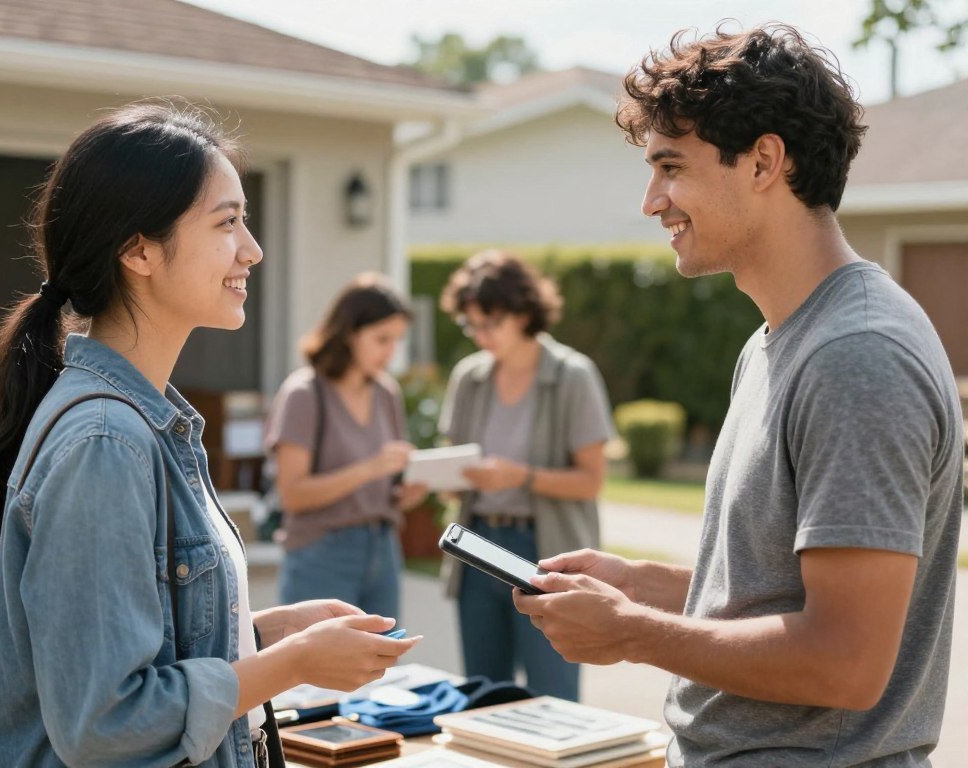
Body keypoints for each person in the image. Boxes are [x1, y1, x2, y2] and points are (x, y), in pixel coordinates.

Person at [513, 23, 963, 766]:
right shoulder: (774, 344)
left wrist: (631, 632)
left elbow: (844, 661)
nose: (652, 201)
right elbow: (779, 592)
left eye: (671, 167)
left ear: (763, 162)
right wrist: (642, 586)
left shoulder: (856, 356)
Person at [0, 102, 419, 768]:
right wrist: (292, 664)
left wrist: (260, 634)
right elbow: (108, 720)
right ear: (138, 249)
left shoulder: (143, 424)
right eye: (227, 223)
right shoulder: (106, 440)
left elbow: (146, 649)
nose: (252, 250)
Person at [437, 251, 614, 702]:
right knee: (483, 696)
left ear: (523, 312)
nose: (480, 336)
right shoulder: (469, 378)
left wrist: (520, 477)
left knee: (552, 697)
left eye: (490, 323)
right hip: (477, 550)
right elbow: (453, 461)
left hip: (546, 553)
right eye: (470, 325)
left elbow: (591, 480)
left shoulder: (573, 376)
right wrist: (445, 476)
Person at [265, 273, 429, 619]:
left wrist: (407, 494)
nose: (391, 352)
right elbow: (293, 494)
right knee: (316, 670)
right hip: (321, 553)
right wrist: (370, 468)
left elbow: (388, 483)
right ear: (349, 333)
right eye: (382, 339)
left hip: (383, 548)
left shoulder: (386, 393)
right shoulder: (304, 394)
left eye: (397, 340)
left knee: (382, 667)